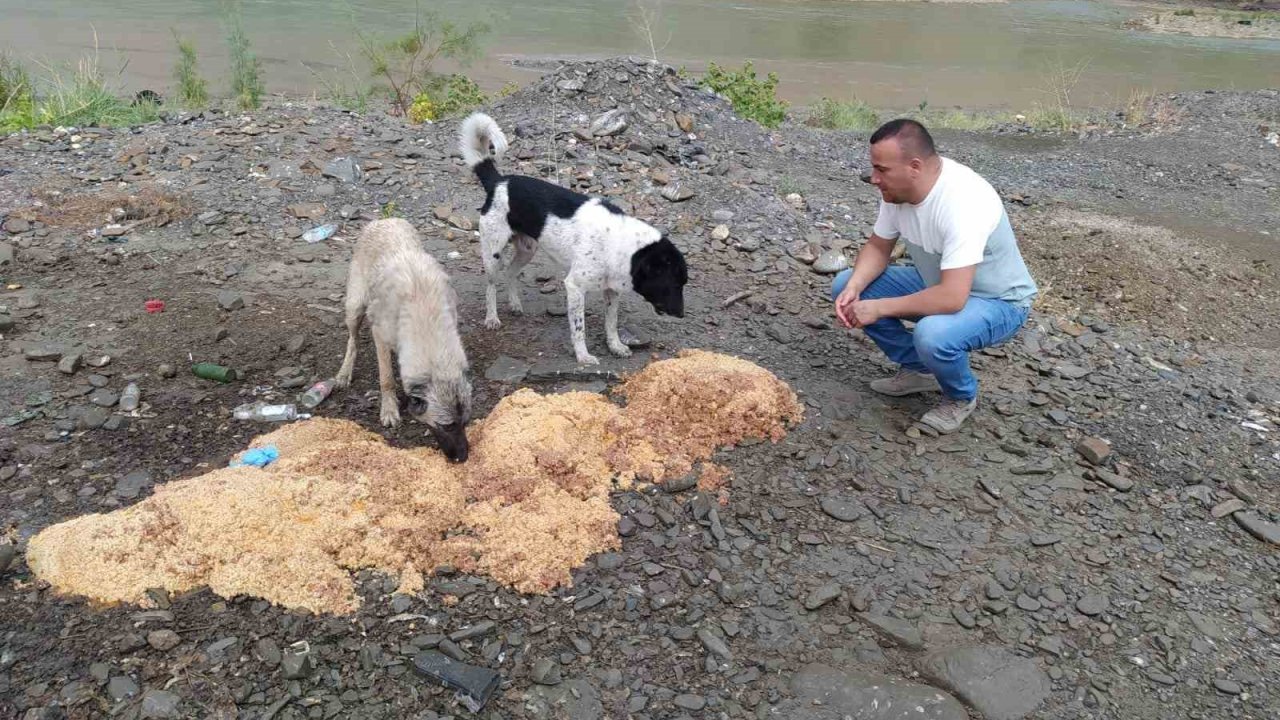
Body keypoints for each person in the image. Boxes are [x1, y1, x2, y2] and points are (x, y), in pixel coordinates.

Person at [832, 119, 1038, 433]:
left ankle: (960, 396)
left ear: (914, 166)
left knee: (933, 334)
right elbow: (878, 246)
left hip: (999, 302)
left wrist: (879, 309)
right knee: (845, 285)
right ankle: (919, 370)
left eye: (881, 170)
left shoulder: (963, 202)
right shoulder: (897, 191)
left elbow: (952, 298)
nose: (873, 178)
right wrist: (856, 287)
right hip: (939, 282)